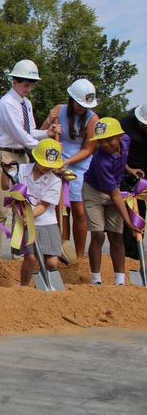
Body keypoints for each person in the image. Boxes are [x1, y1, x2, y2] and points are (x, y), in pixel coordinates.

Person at [0, 60, 59, 250]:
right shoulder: (6, 104)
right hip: (5, 155)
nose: (29, 88)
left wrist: (47, 134)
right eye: (26, 84)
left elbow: (30, 131)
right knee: (2, 207)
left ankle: (18, 251)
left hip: (23, 156)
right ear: (14, 81)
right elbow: (17, 134)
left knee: (21, 205)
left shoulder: (26, 104)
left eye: (31, 84)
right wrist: (45, 152)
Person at [40, 79, 99, 259]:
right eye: (79, 104)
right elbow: (41, 133)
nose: (82, 108)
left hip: (79, 167)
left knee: (79, 211)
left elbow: (89, 148)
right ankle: (62, 251)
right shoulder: (59, 110)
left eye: (85, 105)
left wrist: (68, 162)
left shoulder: (92, 119)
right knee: (60, 210)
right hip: (56, 164)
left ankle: (79, 256)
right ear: (72, 99)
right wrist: (50, 120)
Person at [83, 118, 143, 285]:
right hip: (94, 192)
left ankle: (119, 280)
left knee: (116, 236)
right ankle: (96, 280)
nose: (106, 144)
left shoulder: (126, 140)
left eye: (110, 139)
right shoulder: (101, 162)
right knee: (98, 234)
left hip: (113, 189)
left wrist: (129, 169)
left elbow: (122, 158)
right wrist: (129, 222)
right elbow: (115, 195)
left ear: (120, 136)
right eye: (101, 141)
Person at [1, 139, 64, 287]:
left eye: (50, 165)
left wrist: (31, 216)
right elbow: (4, 185)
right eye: (44, 164)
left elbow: (44, 205)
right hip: (26, 222)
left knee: (52, 262)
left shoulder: (55, 181)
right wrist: (5, 168)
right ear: (36, 158)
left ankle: (44, 286)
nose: (47, 168)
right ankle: (23, 287)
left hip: (47, 223)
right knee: (31, 258)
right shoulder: (21, 170)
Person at [121, 102, 147, 259]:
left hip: (144, 179)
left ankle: (137, 251)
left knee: (141, 212)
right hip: (126, 175)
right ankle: (129, 252)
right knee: (129, 213)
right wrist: (128, 170)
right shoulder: (125, 125)